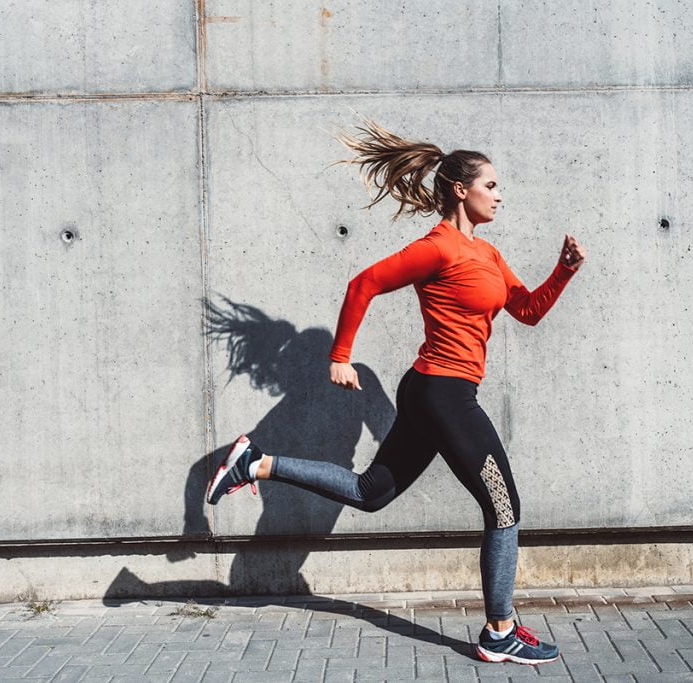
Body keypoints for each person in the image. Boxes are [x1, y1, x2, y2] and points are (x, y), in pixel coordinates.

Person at [207, 120, 586, 665]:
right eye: (492, 185)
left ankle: (256, 464)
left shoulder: (490, 255)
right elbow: (363, 284)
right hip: (443, 393)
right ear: (462, 190)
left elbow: (526, 311)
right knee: (504, 507)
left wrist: (564, 270)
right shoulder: (437, 248)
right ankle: (500, 630)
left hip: (437, 393)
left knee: (370, 493)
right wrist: (340, 357)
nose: (500, 195)